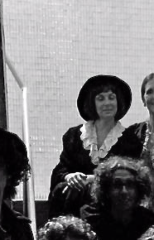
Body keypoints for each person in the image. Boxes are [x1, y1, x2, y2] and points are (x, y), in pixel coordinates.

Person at [47, 74, 136, 217]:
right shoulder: (74, 135)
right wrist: (70, 176)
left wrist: (91, 179)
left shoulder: (130, 139)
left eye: (111, 97)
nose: (107, 103)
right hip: (74, 201)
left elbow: (131, 176)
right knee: (63, 189)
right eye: (100, 98)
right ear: (92, 103)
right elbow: (62, 168)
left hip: (110, 206)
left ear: (118, 101)